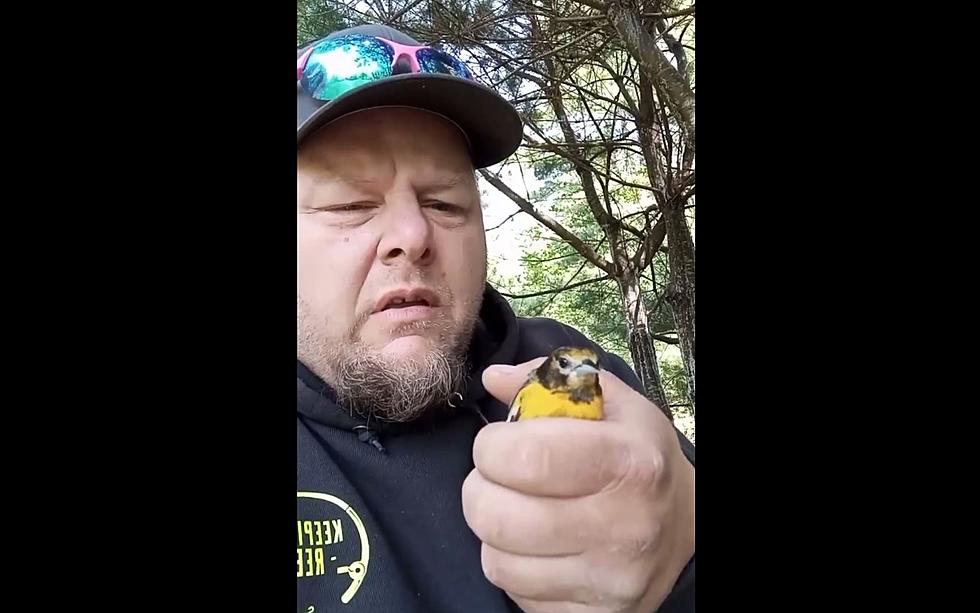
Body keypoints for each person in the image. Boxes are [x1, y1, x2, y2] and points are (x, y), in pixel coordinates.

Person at [297, 24, 695, 613]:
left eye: (444, 202)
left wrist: (683, 554)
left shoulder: (563, 368)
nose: (412, 235)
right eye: (350, 205)